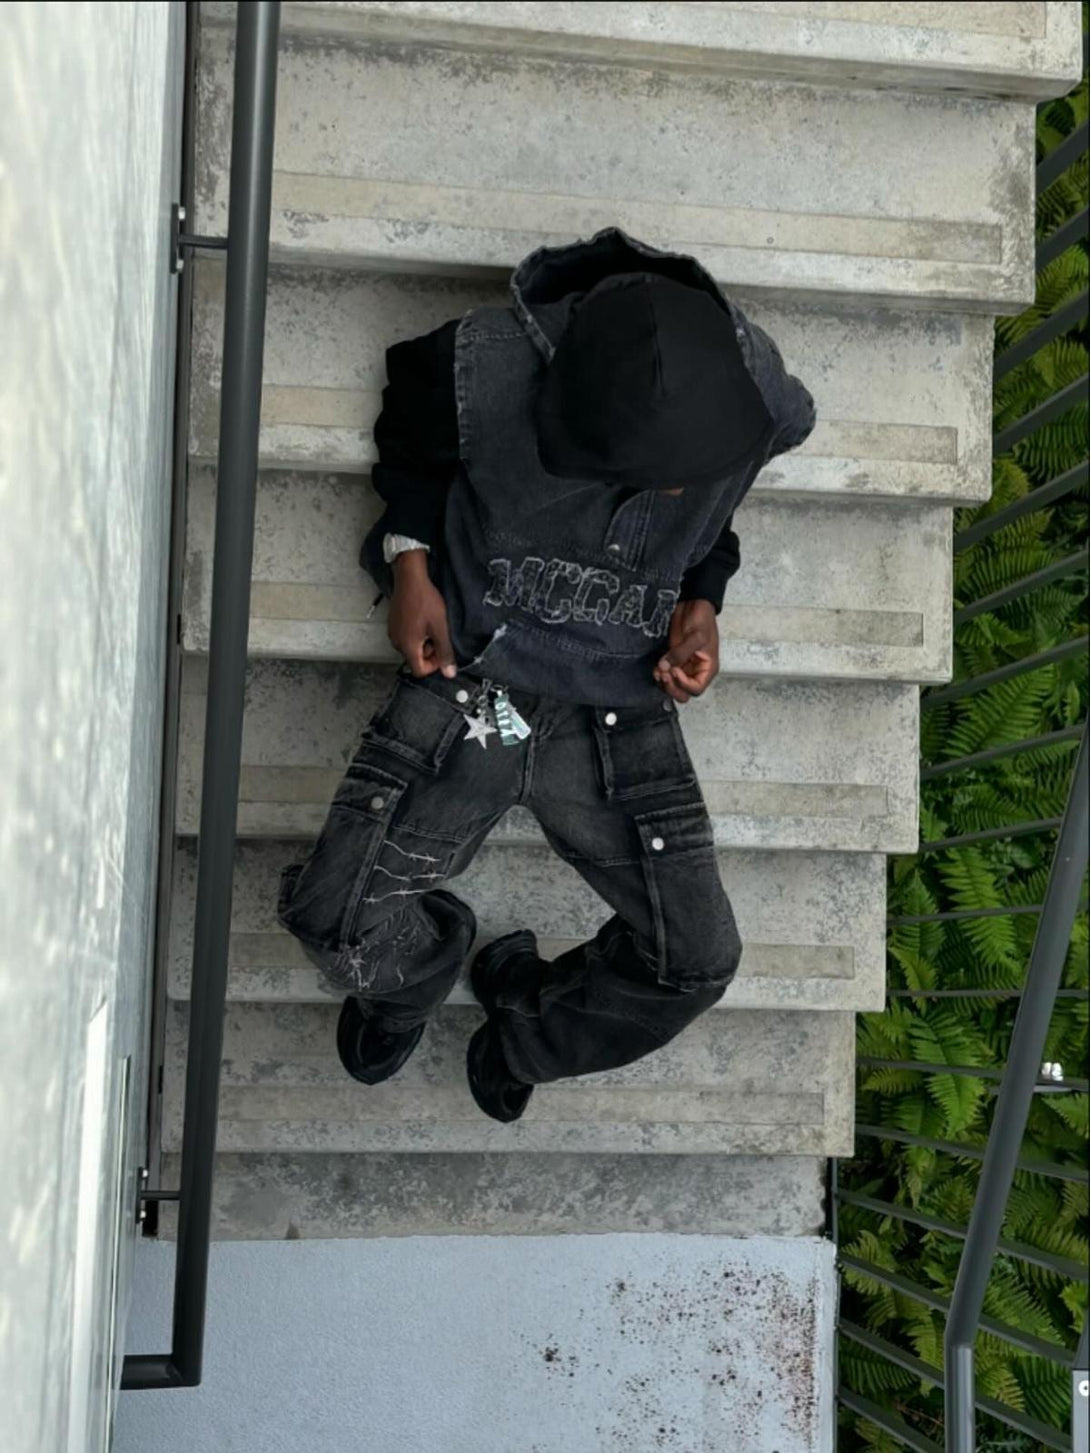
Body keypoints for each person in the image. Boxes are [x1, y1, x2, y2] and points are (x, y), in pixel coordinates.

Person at [277, 226, 816, 1124]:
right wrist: (410, 562)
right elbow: (410, 426)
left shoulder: (756, 395)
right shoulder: (485, 365)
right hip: (474, 674)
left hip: (620, 704)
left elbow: (709, 521)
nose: (670, 495)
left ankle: (527, 1023)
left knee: (698, 963)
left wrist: (702, 601)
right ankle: (415, 974)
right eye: (643, 479)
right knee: (330, 920)